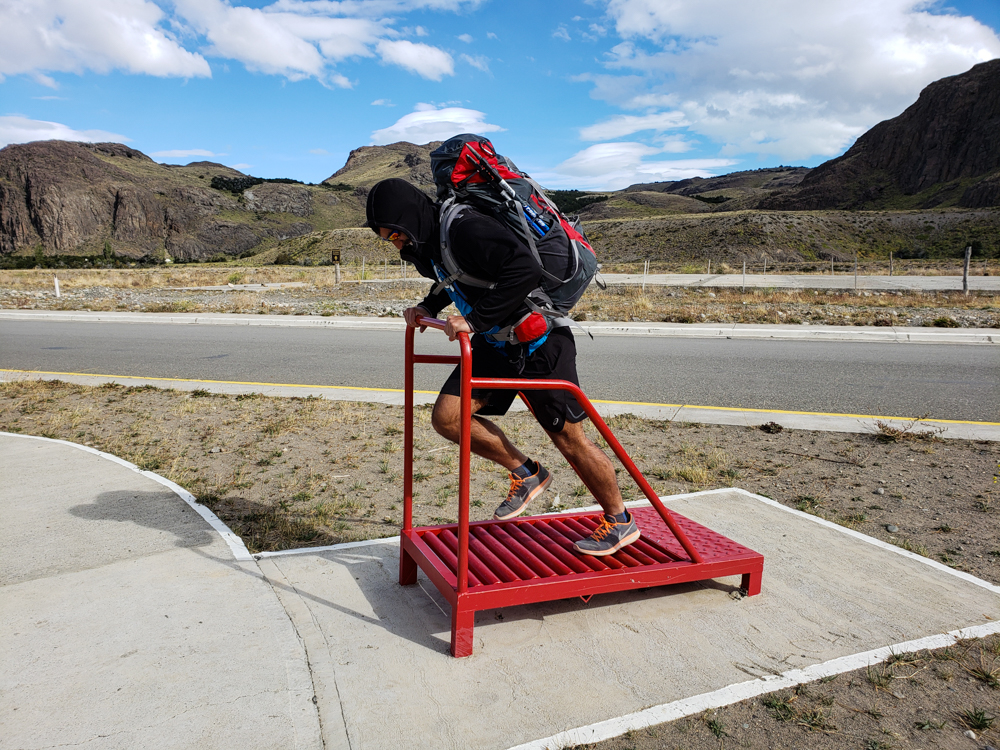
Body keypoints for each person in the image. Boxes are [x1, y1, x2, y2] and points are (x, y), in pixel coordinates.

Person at [366, 178, 639, 556]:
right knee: (448, 418)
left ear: (408, 218)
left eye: (394, 234)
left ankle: (621, 520)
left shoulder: (464, 227)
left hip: (540, 340)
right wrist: (429, 307)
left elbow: (523, 269)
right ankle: (527, 472)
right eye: (388, 238)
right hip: (497, 342)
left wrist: (474, 321)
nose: (394, 243)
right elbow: (454, 277)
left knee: (568, 439)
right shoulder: (429, 242)